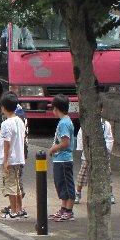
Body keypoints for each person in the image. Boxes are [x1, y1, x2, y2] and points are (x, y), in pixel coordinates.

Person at [0, 92, 27, 219]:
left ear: (3, 107)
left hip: (10, 160)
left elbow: (7, 142)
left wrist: (5, 160)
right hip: (19, 158)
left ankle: (14, 211)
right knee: (17, 185)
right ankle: (20, 209)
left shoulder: (6, 123)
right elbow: (14, 134)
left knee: (10, 186)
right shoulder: (19, 121)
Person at [48, 94, 76, 222]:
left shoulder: (64, 123)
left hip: (64, 159)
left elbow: (65, 143)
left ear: (56, 109)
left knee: (66, 183)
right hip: (60, 159)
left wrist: (53, 148)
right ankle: (64, 208)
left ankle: (69, 210)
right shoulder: (64, 121)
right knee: (61, 184)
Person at [75, 118, 115, 204]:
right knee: (82, 175)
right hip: (88, 154)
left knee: (107, 174)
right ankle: (78, 193)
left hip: (102, 154)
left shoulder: (105, 124)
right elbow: (80, 137)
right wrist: (84, 149)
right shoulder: (86, 123)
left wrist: (106, 150)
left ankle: (110, 194)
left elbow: (109, 138)